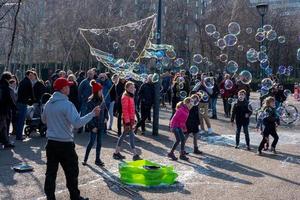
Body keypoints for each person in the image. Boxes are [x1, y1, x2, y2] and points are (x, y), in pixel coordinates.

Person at [42, 77, 100, 200]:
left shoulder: (48, 103)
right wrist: (92, 114)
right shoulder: (67, 104)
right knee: (72, 172)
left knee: (51, 173)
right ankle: (75, 197)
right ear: (63, 89)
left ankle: (50, 197)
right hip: (65, 144)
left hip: (51, 143)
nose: (70, 88)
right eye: (68, 86)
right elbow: (77, 123)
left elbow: (44, 120)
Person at [113, 81, 142, 161]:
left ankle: (116, 153)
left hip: (130, 119)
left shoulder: (130, 95)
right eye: (131, 88)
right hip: (127, 120)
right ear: (127, 88)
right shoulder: (125, 96)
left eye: (133, 87)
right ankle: (135, 154)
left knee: (124, 136)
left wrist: (133, 118)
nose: (133, 89)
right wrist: (128, 122)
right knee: (130, 137)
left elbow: (132, 109)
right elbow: (125, 110)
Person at [82, 80, 107, 166]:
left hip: (100, 125)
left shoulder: (102, 101)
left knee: (99, 143)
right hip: (94, 126)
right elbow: (89, 116)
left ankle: (97, 159)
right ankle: (85, 159)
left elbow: (105, 111)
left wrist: (106, 118)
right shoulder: (90, 102)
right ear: (96, 92)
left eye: (101, 90)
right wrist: (92, 127)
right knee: (91, 142)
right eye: (100, 91)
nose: (101, 92)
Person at [15, 70, 35, 140]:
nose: (32, 77)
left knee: (19, 120)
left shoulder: (22, 81)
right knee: (22, 120)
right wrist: (33, 101)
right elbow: (31, 93)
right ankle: (19, 136)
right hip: (23, 103)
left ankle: (18, 134)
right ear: (28, 75)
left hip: (19, 102)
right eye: (31, 75)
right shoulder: (28, 82)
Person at [0, 72, 15, 148]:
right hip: (4, 109)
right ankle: (6, 142)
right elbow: (9, 99)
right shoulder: (5, 87)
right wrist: (14, 107)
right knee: (4, 126)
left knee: (3, 127)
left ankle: (5, 141)